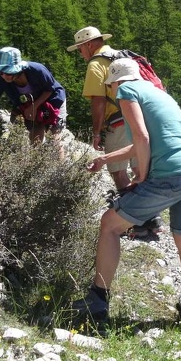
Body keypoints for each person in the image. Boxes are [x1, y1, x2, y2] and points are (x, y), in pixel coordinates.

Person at [72, 58, 181, 327]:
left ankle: (97, 302)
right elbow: (143, 142)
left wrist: (142, 178)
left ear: (114, 82)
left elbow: (142, 138)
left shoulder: (126, 91)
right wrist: (106, 159)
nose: (111, 91)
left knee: (109, 225)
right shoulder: (156, 92)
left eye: (109, 86)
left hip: (171, 175)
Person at [67, 26, 162, 238]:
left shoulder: (96, 64)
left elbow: (98, 101)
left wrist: (97, 132)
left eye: (80, 49)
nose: (80, 54)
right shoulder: (120, 57)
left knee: (118, 172)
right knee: (140, 170)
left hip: (118, 122)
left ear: (89, 44)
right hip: (140, 119)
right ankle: (152, 218)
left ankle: (134, 220)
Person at [0, 47, 67, 145]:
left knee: (54, 136)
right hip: (26, 104)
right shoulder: (0, 80)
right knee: (35, 133)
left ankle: (59, 160)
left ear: (18, 69)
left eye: (8, 72)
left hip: (53, 100)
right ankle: (36, 157)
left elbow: (50, 89)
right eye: (1, 72)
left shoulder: (37, 70)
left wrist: (34, 106)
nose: (4, 76)